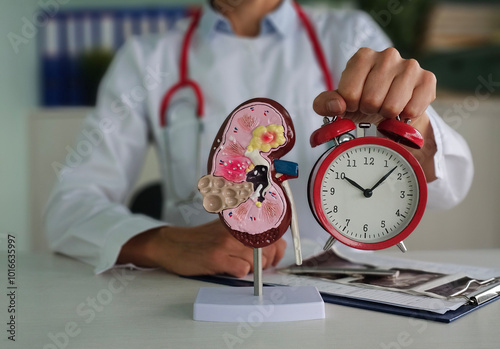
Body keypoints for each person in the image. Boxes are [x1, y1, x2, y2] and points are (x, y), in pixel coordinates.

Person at [44, 0, 473, 277]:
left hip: (346, 294)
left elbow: (449, 187)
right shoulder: (146, 59)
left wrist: (414, 125)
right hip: (204, 295)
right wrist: (162, 241)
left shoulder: (350, 35)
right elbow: (69, 207)